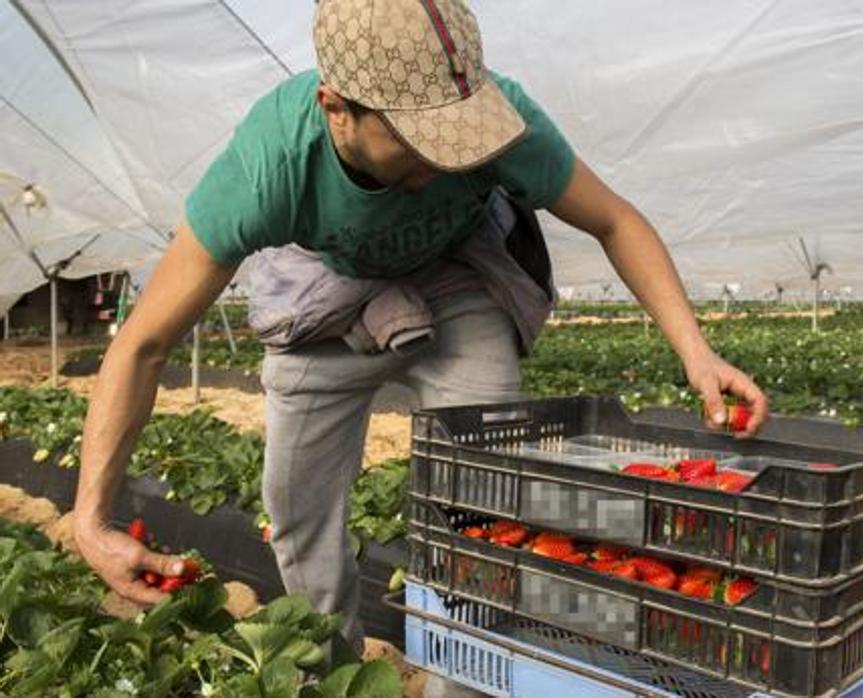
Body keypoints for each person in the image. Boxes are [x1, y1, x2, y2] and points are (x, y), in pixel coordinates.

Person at [72, 0, 768, 658]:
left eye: (460, 136)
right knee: (297, 511)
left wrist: (696, 351)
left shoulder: (499, 121)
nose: (449, 160)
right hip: (323, 293)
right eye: (418, 139)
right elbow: (143, 344)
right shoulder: (268, 168)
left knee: (485, 500)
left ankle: (463, 679)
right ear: (336, 110)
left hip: (456, 277)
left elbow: (615, 219)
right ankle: (331, 673)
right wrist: (92, 518)